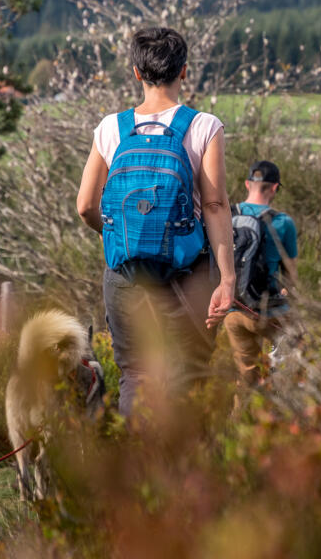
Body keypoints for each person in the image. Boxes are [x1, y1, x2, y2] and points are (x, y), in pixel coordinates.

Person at [76, 27, 236, 418]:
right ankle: (184, 471)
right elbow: (214, 206)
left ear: (136, 72)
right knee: (188, 374)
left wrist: (117, 234)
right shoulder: (203, 126)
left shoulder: (110, 128)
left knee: (136, 373)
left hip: (125, 274)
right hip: (188, 274)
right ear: (184, 71)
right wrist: (228, 279)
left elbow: (84, 205)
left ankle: (138, 468)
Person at [225, 160, 299, 385]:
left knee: (246, 376)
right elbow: (291, 277)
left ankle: (241, 416)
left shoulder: (228, 216)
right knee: (294, 362)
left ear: (248, 184)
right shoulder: (283, 222)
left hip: (235, 311)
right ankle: (282, 406)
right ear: (275, 187)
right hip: (271, 313)